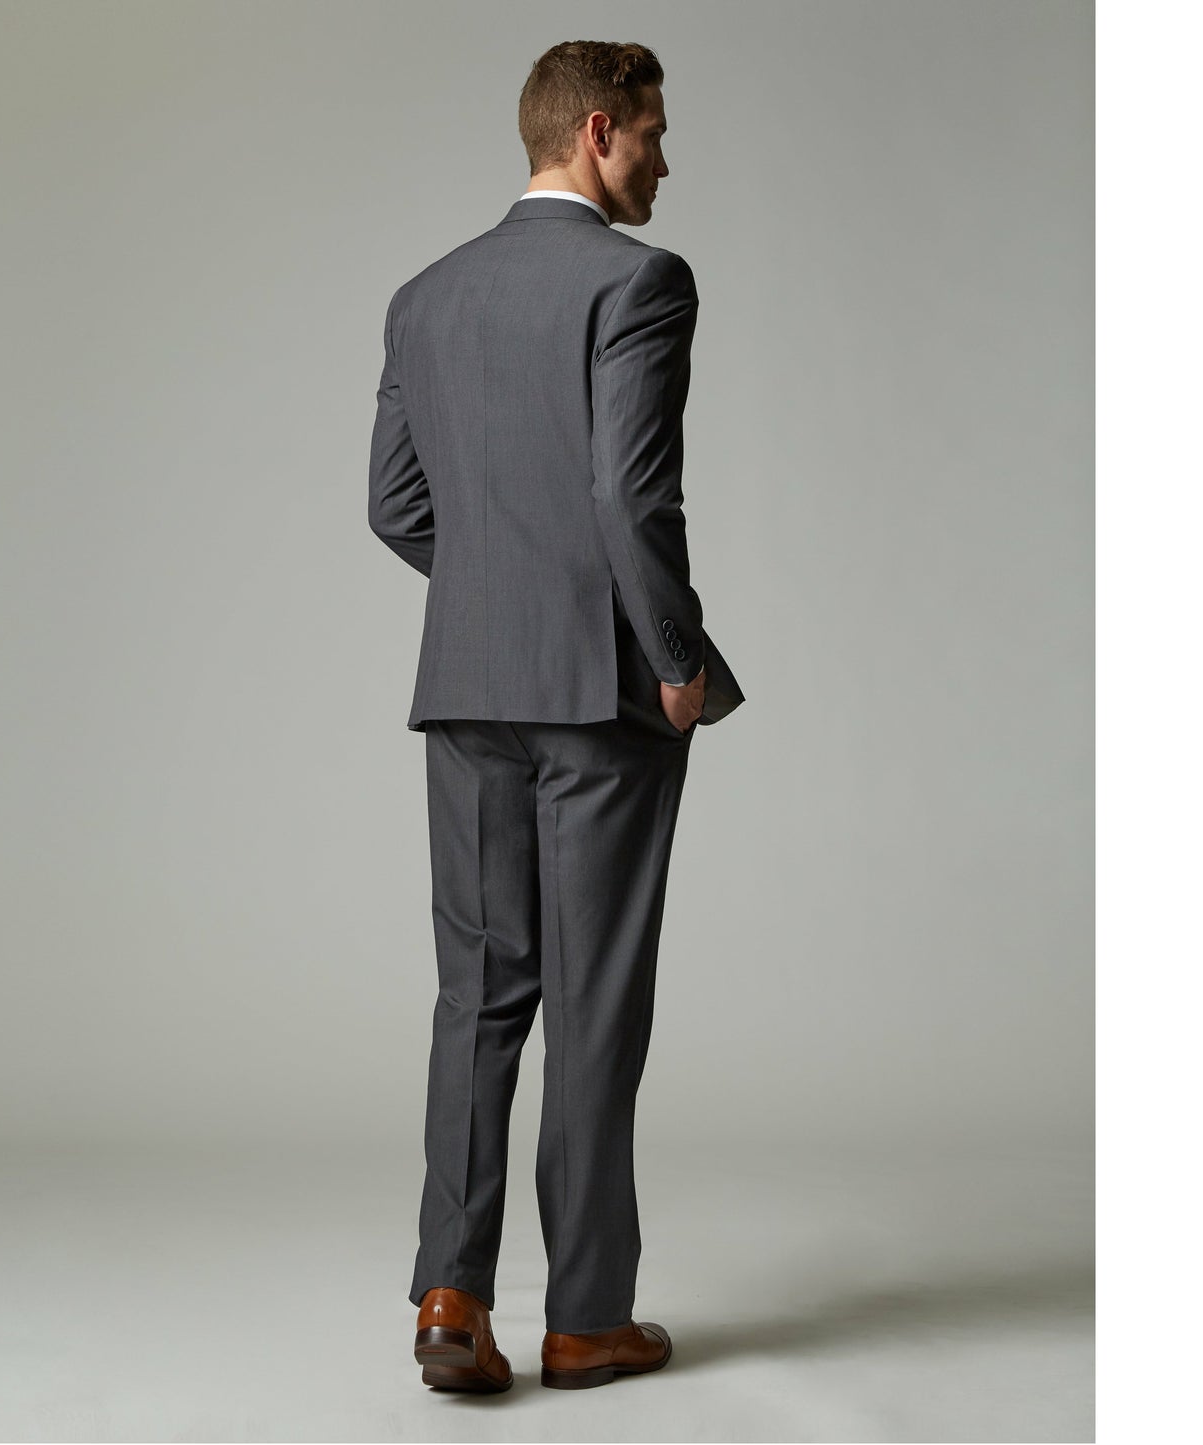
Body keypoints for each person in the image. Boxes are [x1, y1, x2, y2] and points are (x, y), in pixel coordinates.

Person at [368, 39, 745, 1393]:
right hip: (600, 696)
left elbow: (393, 507)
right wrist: (674, 656)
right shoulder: (640, 281)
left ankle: (448, 1298)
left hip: (468, 686)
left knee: (476, 995)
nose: (663, 160)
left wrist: (499, 593)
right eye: (652, 133)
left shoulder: (424, 296)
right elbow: (632, 496)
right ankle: (585, 1317)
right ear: (596, 130)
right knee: (591, 1006)